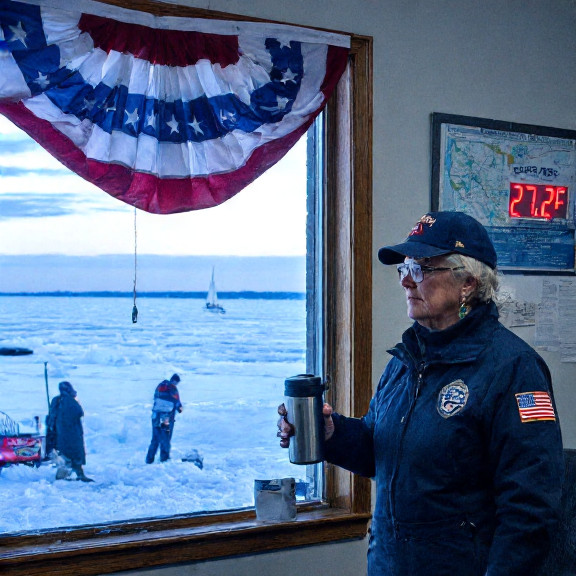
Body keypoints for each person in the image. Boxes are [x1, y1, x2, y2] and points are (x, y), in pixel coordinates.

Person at [278, 211, 564, 576]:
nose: (406, 282)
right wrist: (332, 433)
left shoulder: (515, 369)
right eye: (405, 268)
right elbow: (379, 451)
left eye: (423, 268)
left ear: (468, 284)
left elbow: (530, 509)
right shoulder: (407, 358)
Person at [47, 381, 93, 482]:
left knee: (64, 455)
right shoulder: (70, 400)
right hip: (72, 434)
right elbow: (79, 412)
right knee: (75, 454)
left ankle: (63, 475)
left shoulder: (56, 400)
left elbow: (51, 417)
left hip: (60, 434)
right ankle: (78, 475)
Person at [146, 373, 183, 463]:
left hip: (155, 416)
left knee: (155, 438)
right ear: (175, 381)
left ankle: (149, 460)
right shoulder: (173, 388)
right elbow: (177, 403)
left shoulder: (160, 386)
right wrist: (180, 408)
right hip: (166, 418)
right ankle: (164, 459)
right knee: (165, 437)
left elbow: (155, 398)